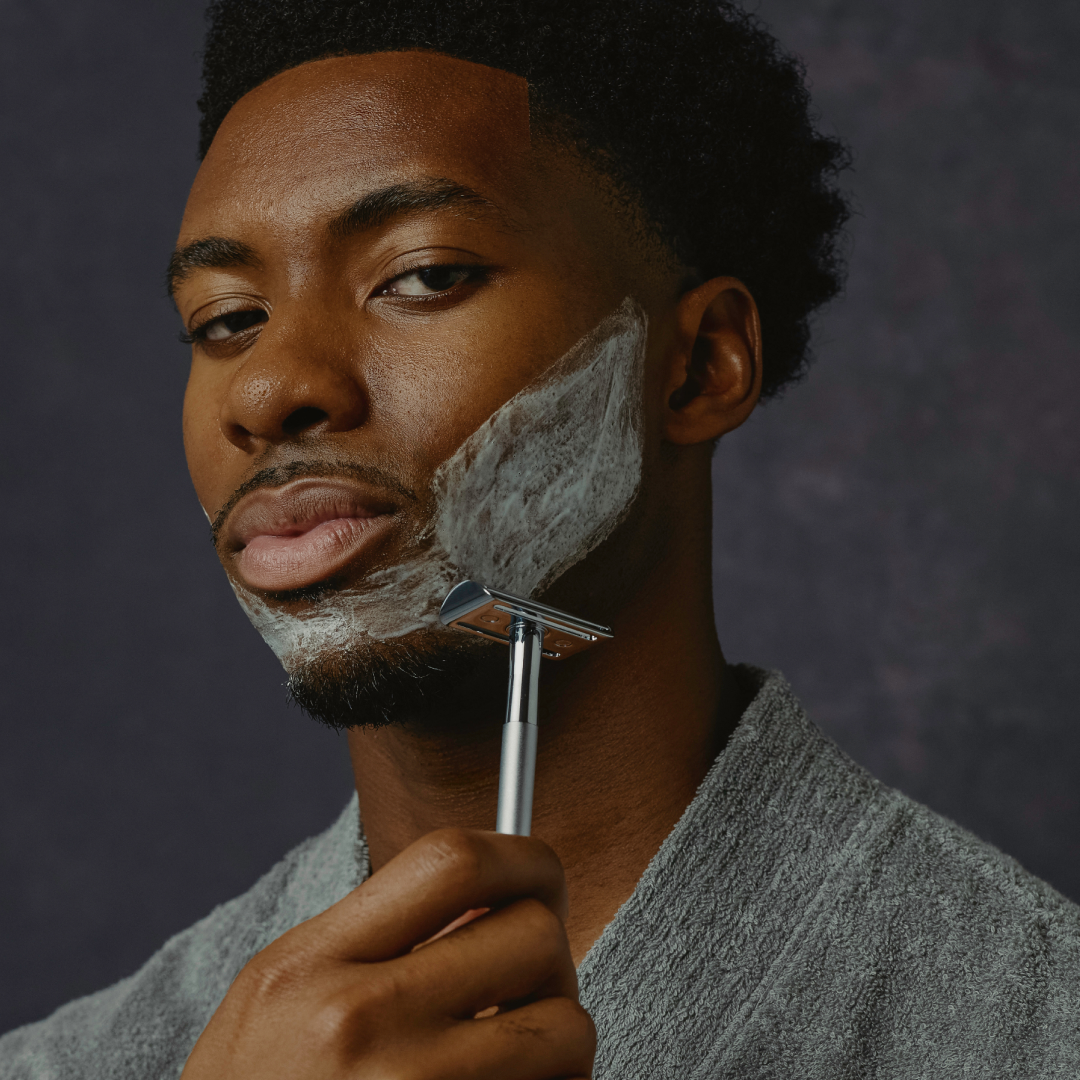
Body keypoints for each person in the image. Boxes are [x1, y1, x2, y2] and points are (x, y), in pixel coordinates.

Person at [3, 0, 1079, 1076]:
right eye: (226, 321)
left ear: (700, 364)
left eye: (422, 275)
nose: (273, 386)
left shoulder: (1032, 1029)